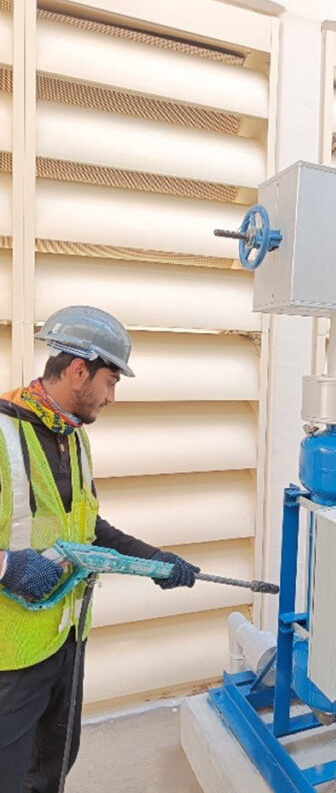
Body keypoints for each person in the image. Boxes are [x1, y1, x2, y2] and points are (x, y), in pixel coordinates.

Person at [0, 306, 200, 793]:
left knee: (55, 765)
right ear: (77, 370)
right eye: (110, 382)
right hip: (11, 656)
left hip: (67, 638)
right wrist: (8, 566)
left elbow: (88, 528)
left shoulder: (73, 438)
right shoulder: (4, 433)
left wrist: (155, 561)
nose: (111, 397)